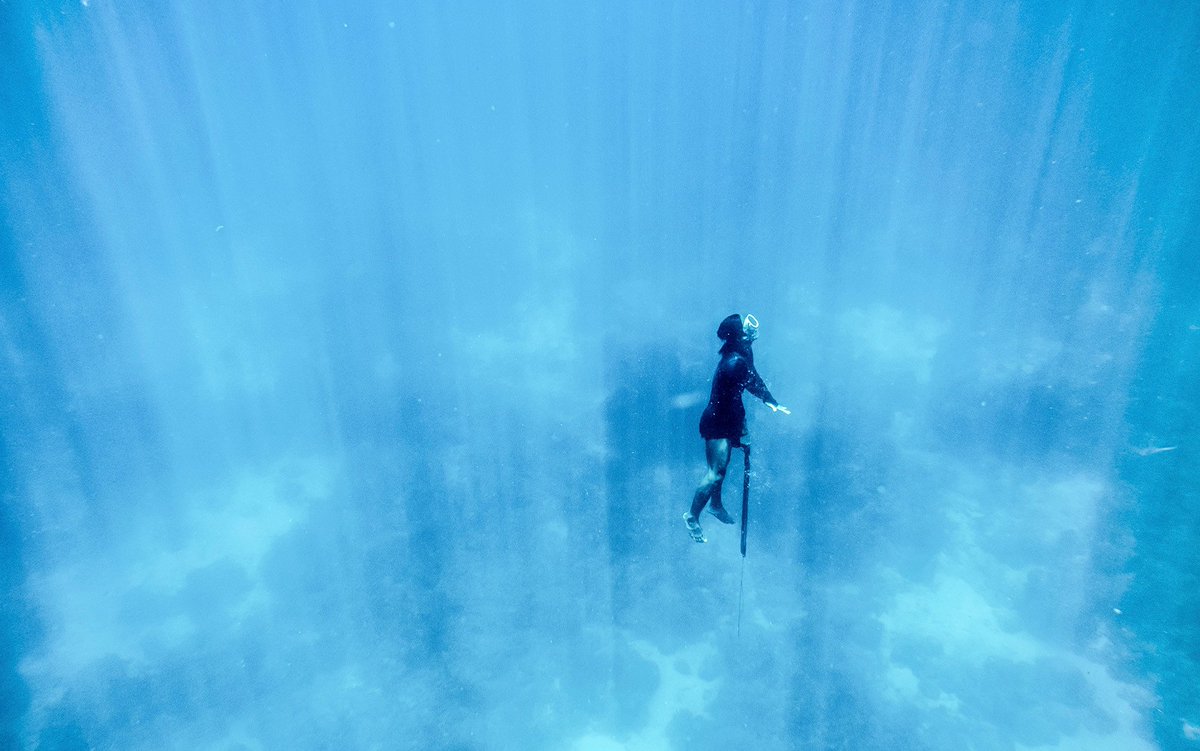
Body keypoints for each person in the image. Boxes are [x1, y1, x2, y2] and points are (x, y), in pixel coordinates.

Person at [684, 313, 789, 543]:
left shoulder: (743, 352)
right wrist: (745, 427)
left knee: (722, 468)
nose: (751, 327)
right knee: (715, 473)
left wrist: (770, 401)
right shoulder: (735, 363)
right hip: (718, 422)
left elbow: (751, 377)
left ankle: (715, 505)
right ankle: (692, 516)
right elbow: (747, 385)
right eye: (745, 326)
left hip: (726, 417)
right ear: (739, 336)